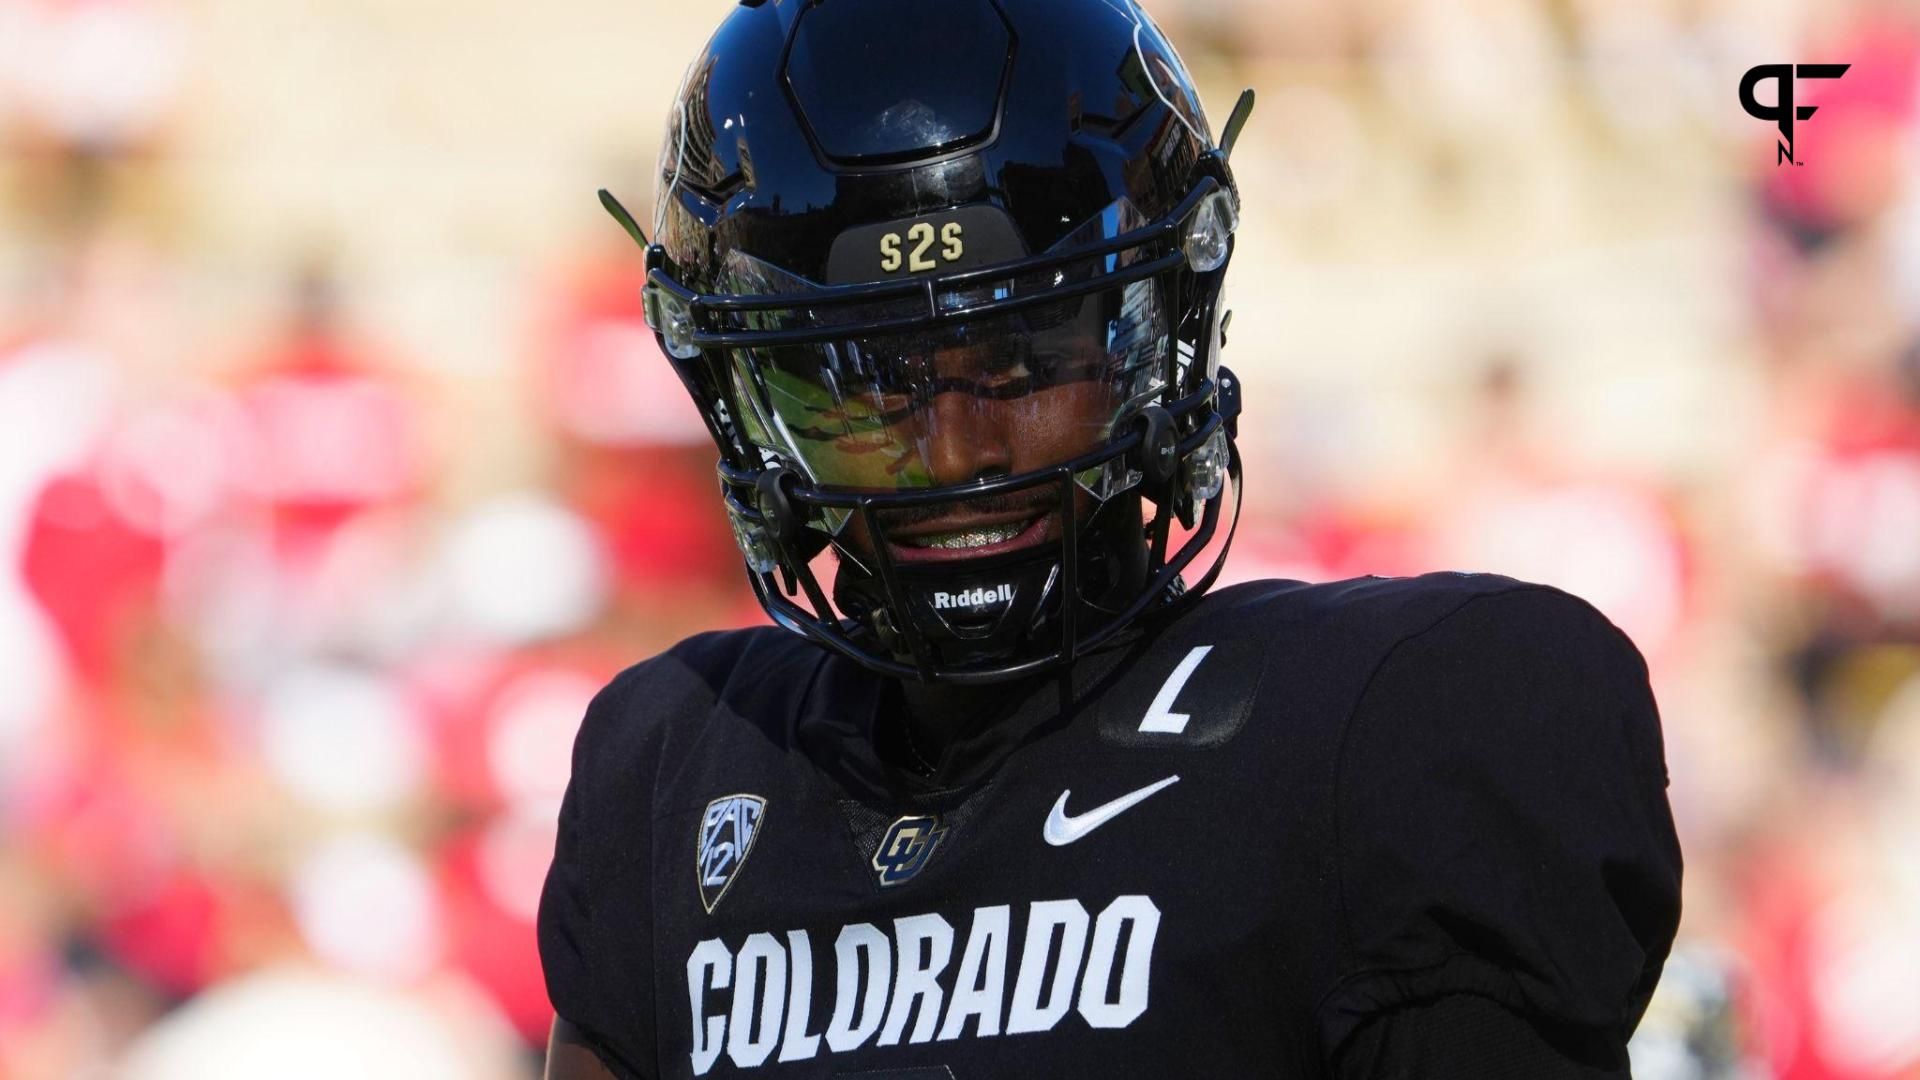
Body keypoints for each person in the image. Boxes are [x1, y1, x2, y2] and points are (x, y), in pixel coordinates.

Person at [538, 0, 1683, 1076]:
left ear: (1161, 331)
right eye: (865, 383)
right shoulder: (673, 768)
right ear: (741, 399)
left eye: (1024, 358)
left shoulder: (1397, 723)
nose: (954, 453)